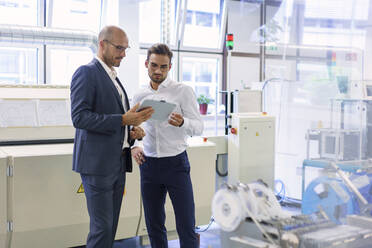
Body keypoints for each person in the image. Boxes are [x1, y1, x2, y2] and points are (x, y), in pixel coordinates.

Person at [70, 25, 153, 248]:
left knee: (110, 228)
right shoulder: (86, 73)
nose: (123, 54)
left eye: (126, 49)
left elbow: (117, 119)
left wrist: (132, 133)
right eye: (119, 48)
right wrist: (124, 121)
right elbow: (80, 118)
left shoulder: (114, 78)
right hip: (97, 166)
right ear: (102, 44)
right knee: (102, 228)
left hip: (117, 163)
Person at [131, 43, 203, 248]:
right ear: (146, 64)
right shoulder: (139, 95)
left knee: (186, 224)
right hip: (149, 164)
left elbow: (199, 126)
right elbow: (133, 127)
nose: (158, 71)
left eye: (163, 67)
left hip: (176, 164)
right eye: (154, 65)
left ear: (170, 66)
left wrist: (183, 123)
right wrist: (135, 145)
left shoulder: (183, 91)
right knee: (153, 225)